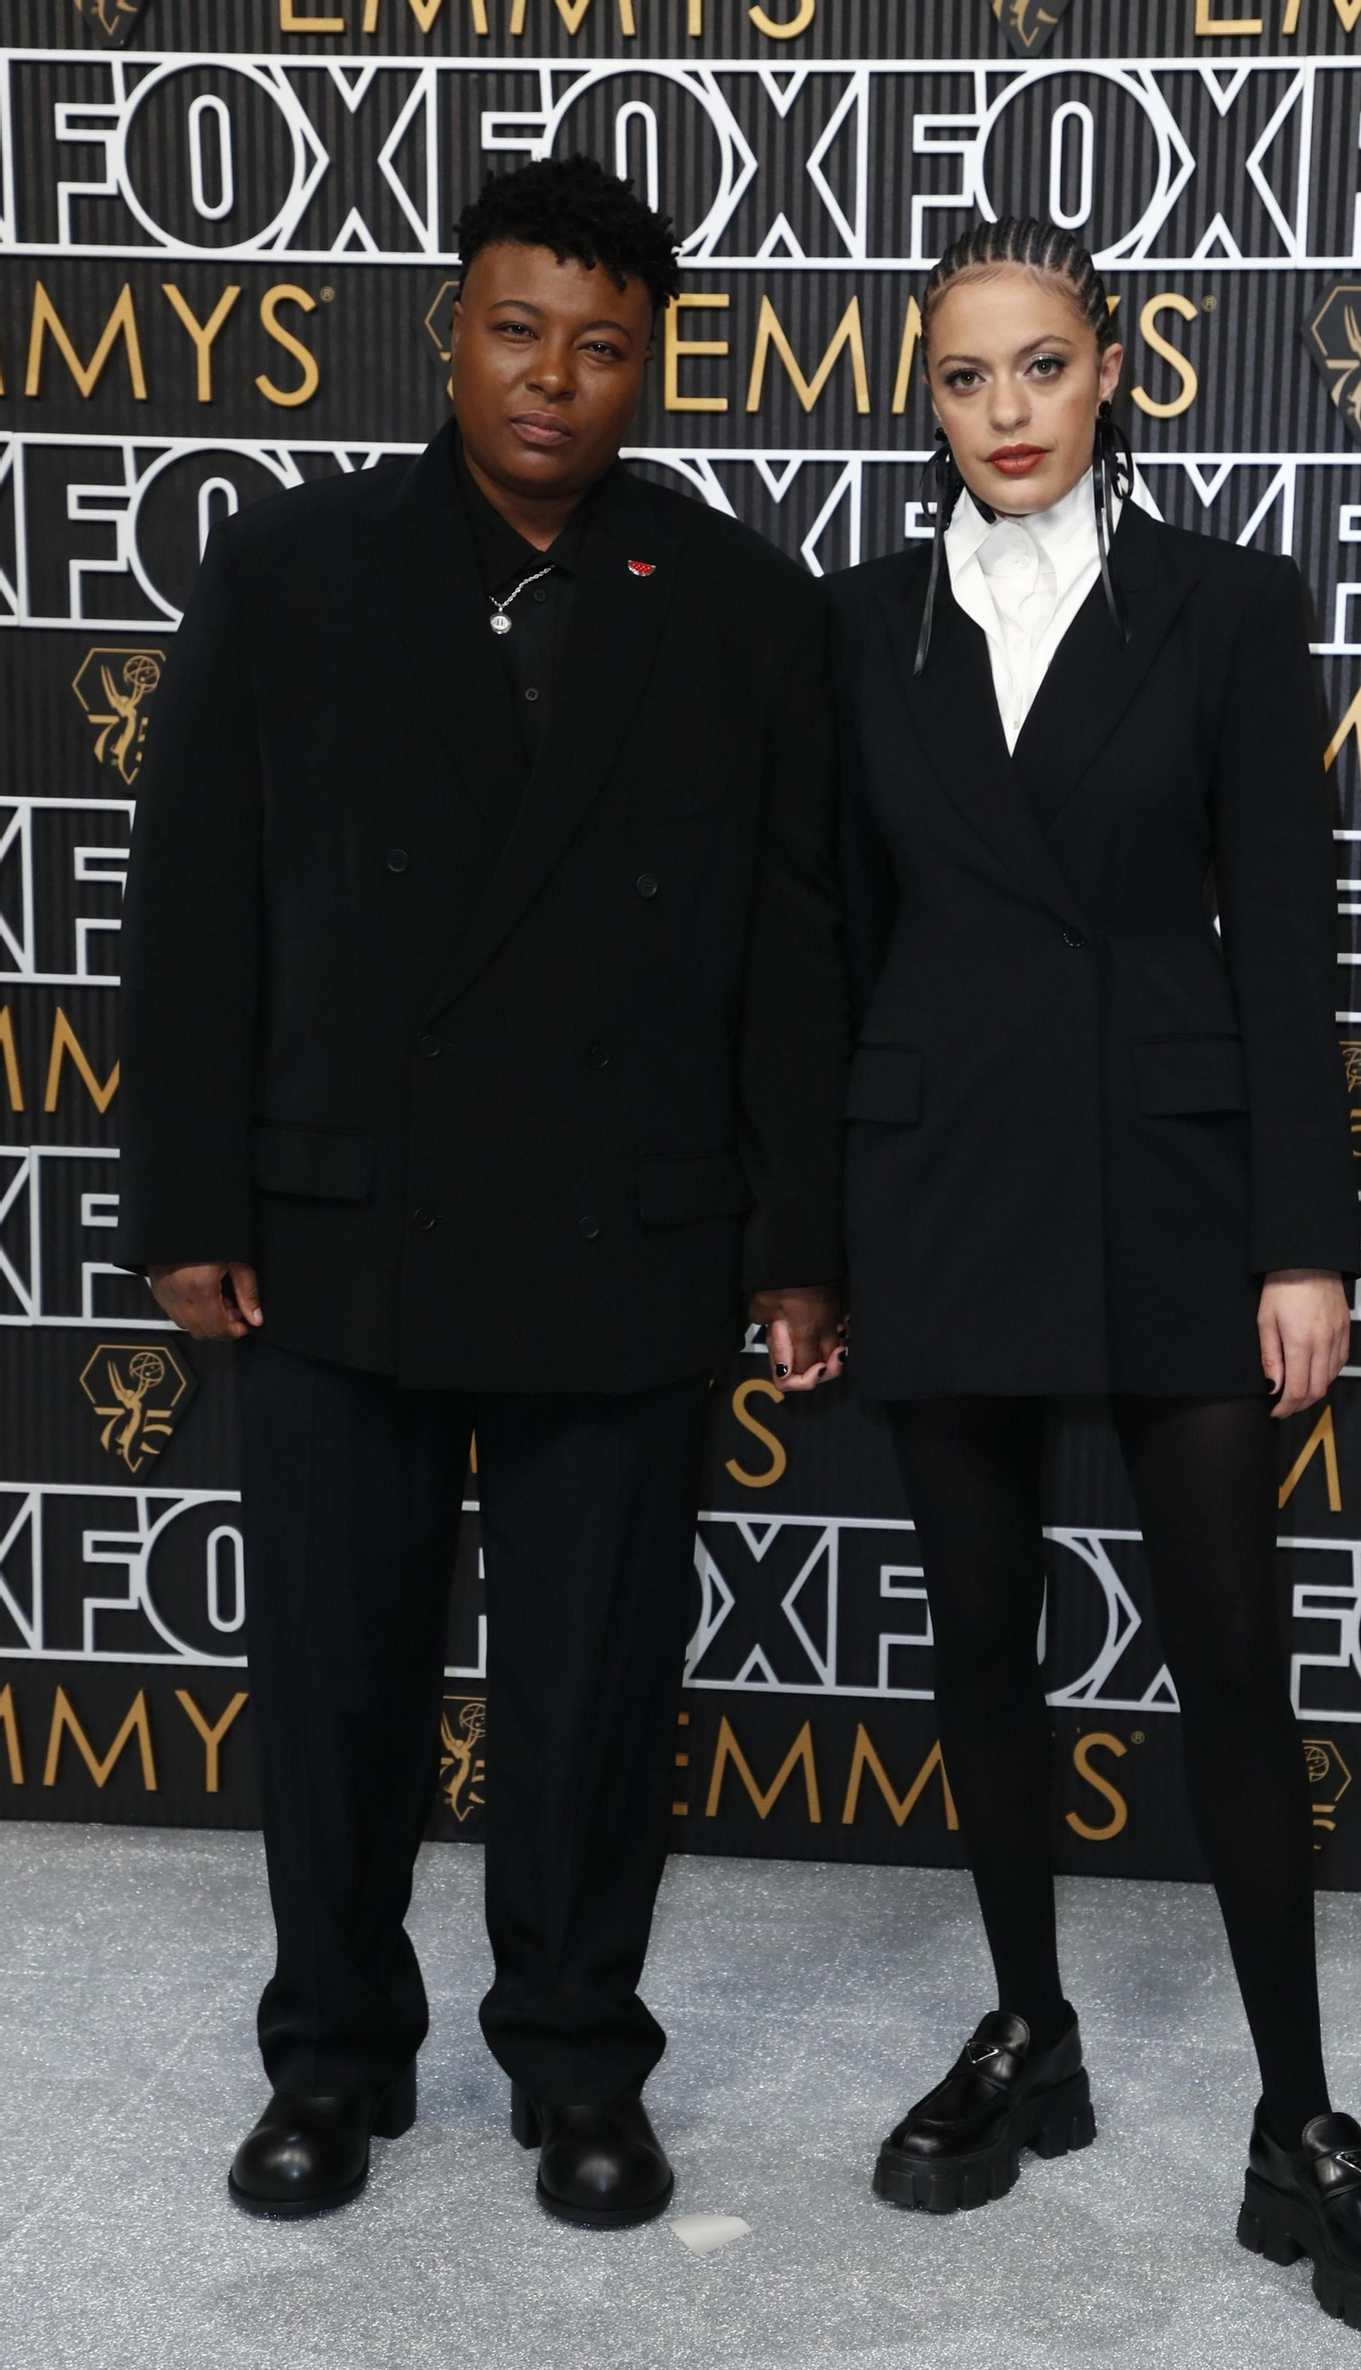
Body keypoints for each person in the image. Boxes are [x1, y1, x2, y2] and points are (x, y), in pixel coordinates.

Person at [115, 154, 849, 2227]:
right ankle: (333, 2062)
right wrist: (185, 1195)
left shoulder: (736, 603)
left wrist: (798, 1240)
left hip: (624, 1227)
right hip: (339, 1225)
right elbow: (195, 916)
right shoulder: (289, 571)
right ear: (447, 329)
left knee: (595, 1691)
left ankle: (576, 2066)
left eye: (602, 344)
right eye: (517, 329)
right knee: (336, 1679)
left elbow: (793, 947)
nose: (554, 377)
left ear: (652, 363)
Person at [826, 216, 1361, 2340]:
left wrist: (1304, 1239)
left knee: (1227, 1669)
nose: (998, 412)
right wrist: (804, 1246)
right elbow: (824, 957)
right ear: (922, 401)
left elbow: (1284, 942)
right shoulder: (860, 629)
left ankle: (1300, 2124)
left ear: (1110, 370)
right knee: (980, 1653)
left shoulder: (1222, 603)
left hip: (1178, 1200)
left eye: (1034, 366)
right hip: (941, 1194)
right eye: (956, 378)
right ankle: (1031, 2035)